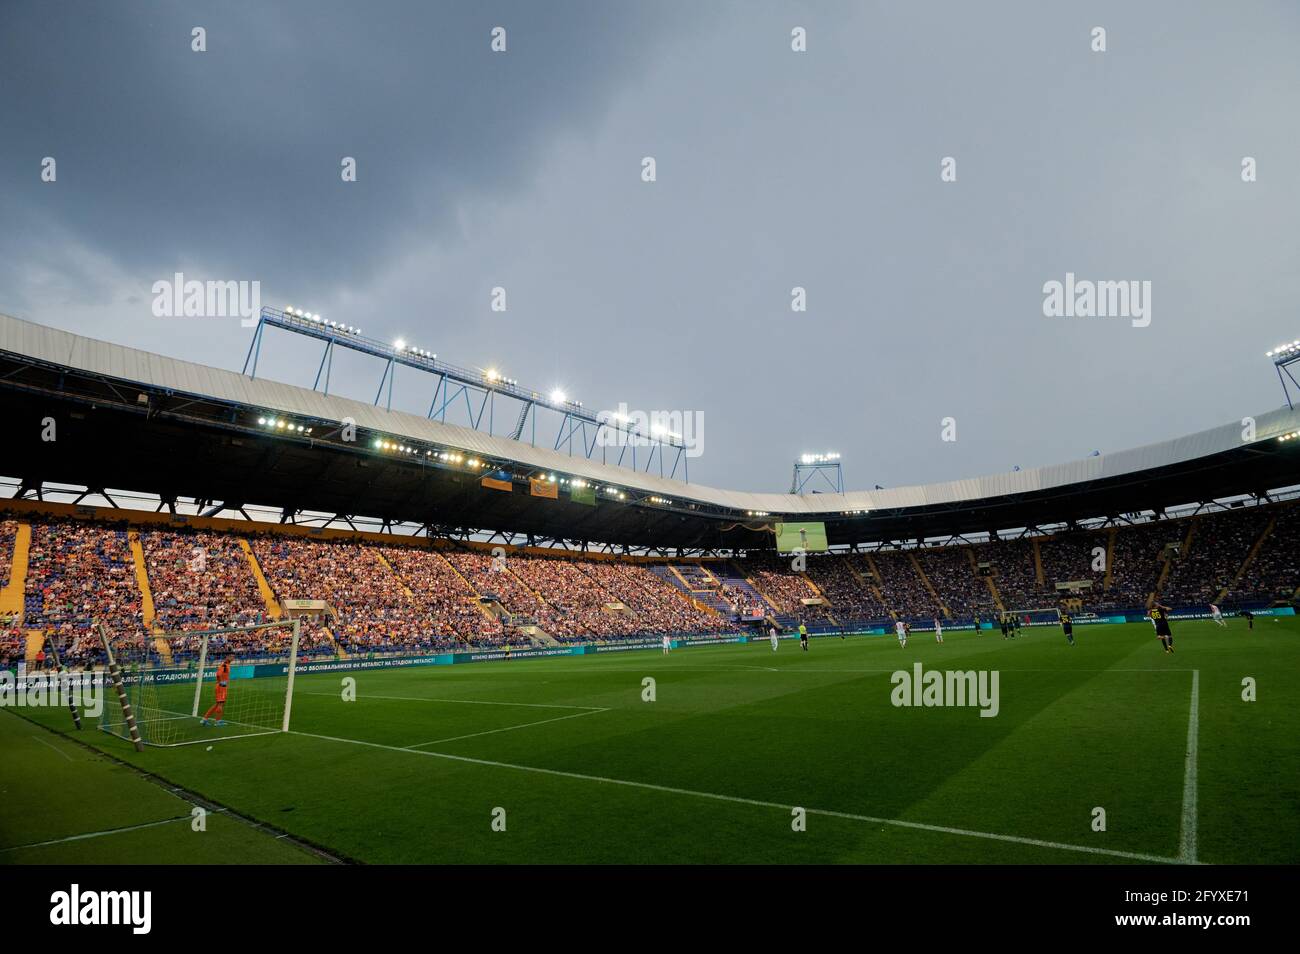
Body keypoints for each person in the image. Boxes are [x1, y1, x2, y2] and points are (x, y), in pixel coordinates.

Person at [201, 654, 234, 726]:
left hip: (222, 686)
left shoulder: (227, 665)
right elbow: (218, 674)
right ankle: (217, 722)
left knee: (217, 704)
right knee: (220, 704)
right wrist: (221, 682)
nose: (232, 658)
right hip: (221, 686)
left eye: (233, 657)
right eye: (231, 656)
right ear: (227, 657)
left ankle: (205, 719)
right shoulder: (224, 665)